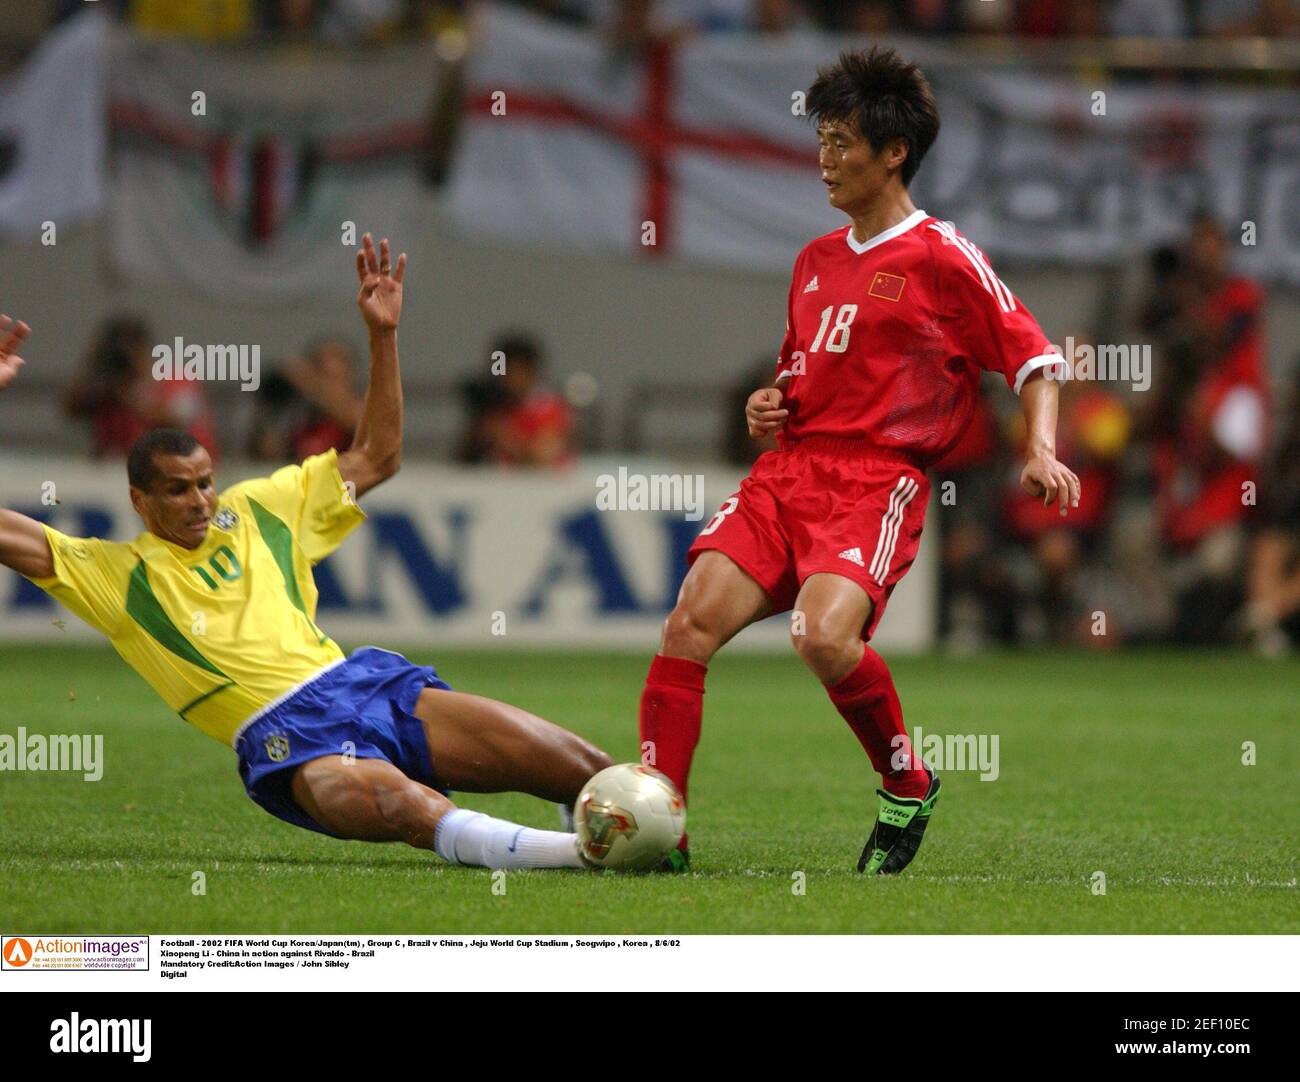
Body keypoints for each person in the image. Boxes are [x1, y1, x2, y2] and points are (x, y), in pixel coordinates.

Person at [0, 238, 611, 871]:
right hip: (288, 736)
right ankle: (570, 853)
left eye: (205, 481)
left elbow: (377, 456)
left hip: (361, 683)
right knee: (395, 804)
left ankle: (616, 817)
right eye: (177, 490)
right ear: (138, 499)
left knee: (589, 769)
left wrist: (383, 336)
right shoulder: (114, 576)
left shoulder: (260, 507)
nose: (199, 500)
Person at [638, 48, 1079, 874]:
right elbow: (798, 379)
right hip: (790, 473)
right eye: (822, 140)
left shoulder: (943, 257)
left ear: (894, 152)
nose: (825, 160)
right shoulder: (813, 261)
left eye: (842, 143)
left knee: (820, 636)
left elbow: (1037, 361)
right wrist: (766, 405)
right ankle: (663, 828)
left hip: (875, 483)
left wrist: (1041, 447)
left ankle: (906, 781)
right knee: (687, 623)